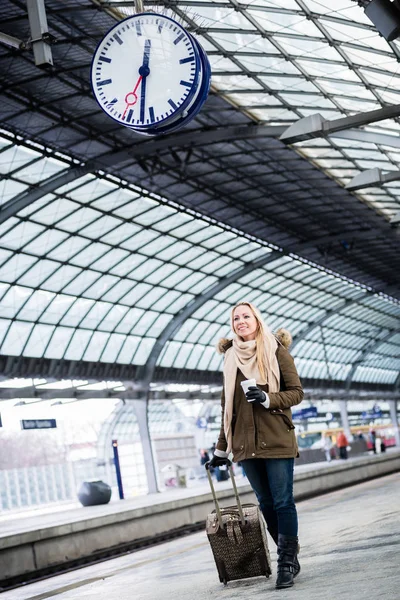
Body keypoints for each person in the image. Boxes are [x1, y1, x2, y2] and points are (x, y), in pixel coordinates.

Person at [208, 301, 304, 590]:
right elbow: (228, 408)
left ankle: (285, 561)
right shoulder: (229, 359)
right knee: (265, 503)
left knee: (283, 500)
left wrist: (267, 399)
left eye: (246, 316)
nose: (241, 321)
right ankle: (290, 556)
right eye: (236, 318)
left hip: (276, 437)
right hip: (245, 445)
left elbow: (296, 393)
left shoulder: (276, 350)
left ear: (257, 320)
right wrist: (220, 450)